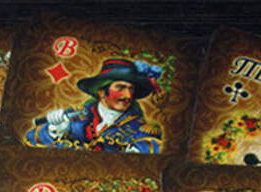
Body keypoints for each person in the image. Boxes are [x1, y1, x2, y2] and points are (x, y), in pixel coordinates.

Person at [25, 58, 163, 153]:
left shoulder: (141, 127)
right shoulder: (76, 114)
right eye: (120, 88)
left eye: (131, 89)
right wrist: (53, 131)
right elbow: (31, 140)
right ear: (101, 92)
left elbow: (151, 146)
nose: (127, 95)